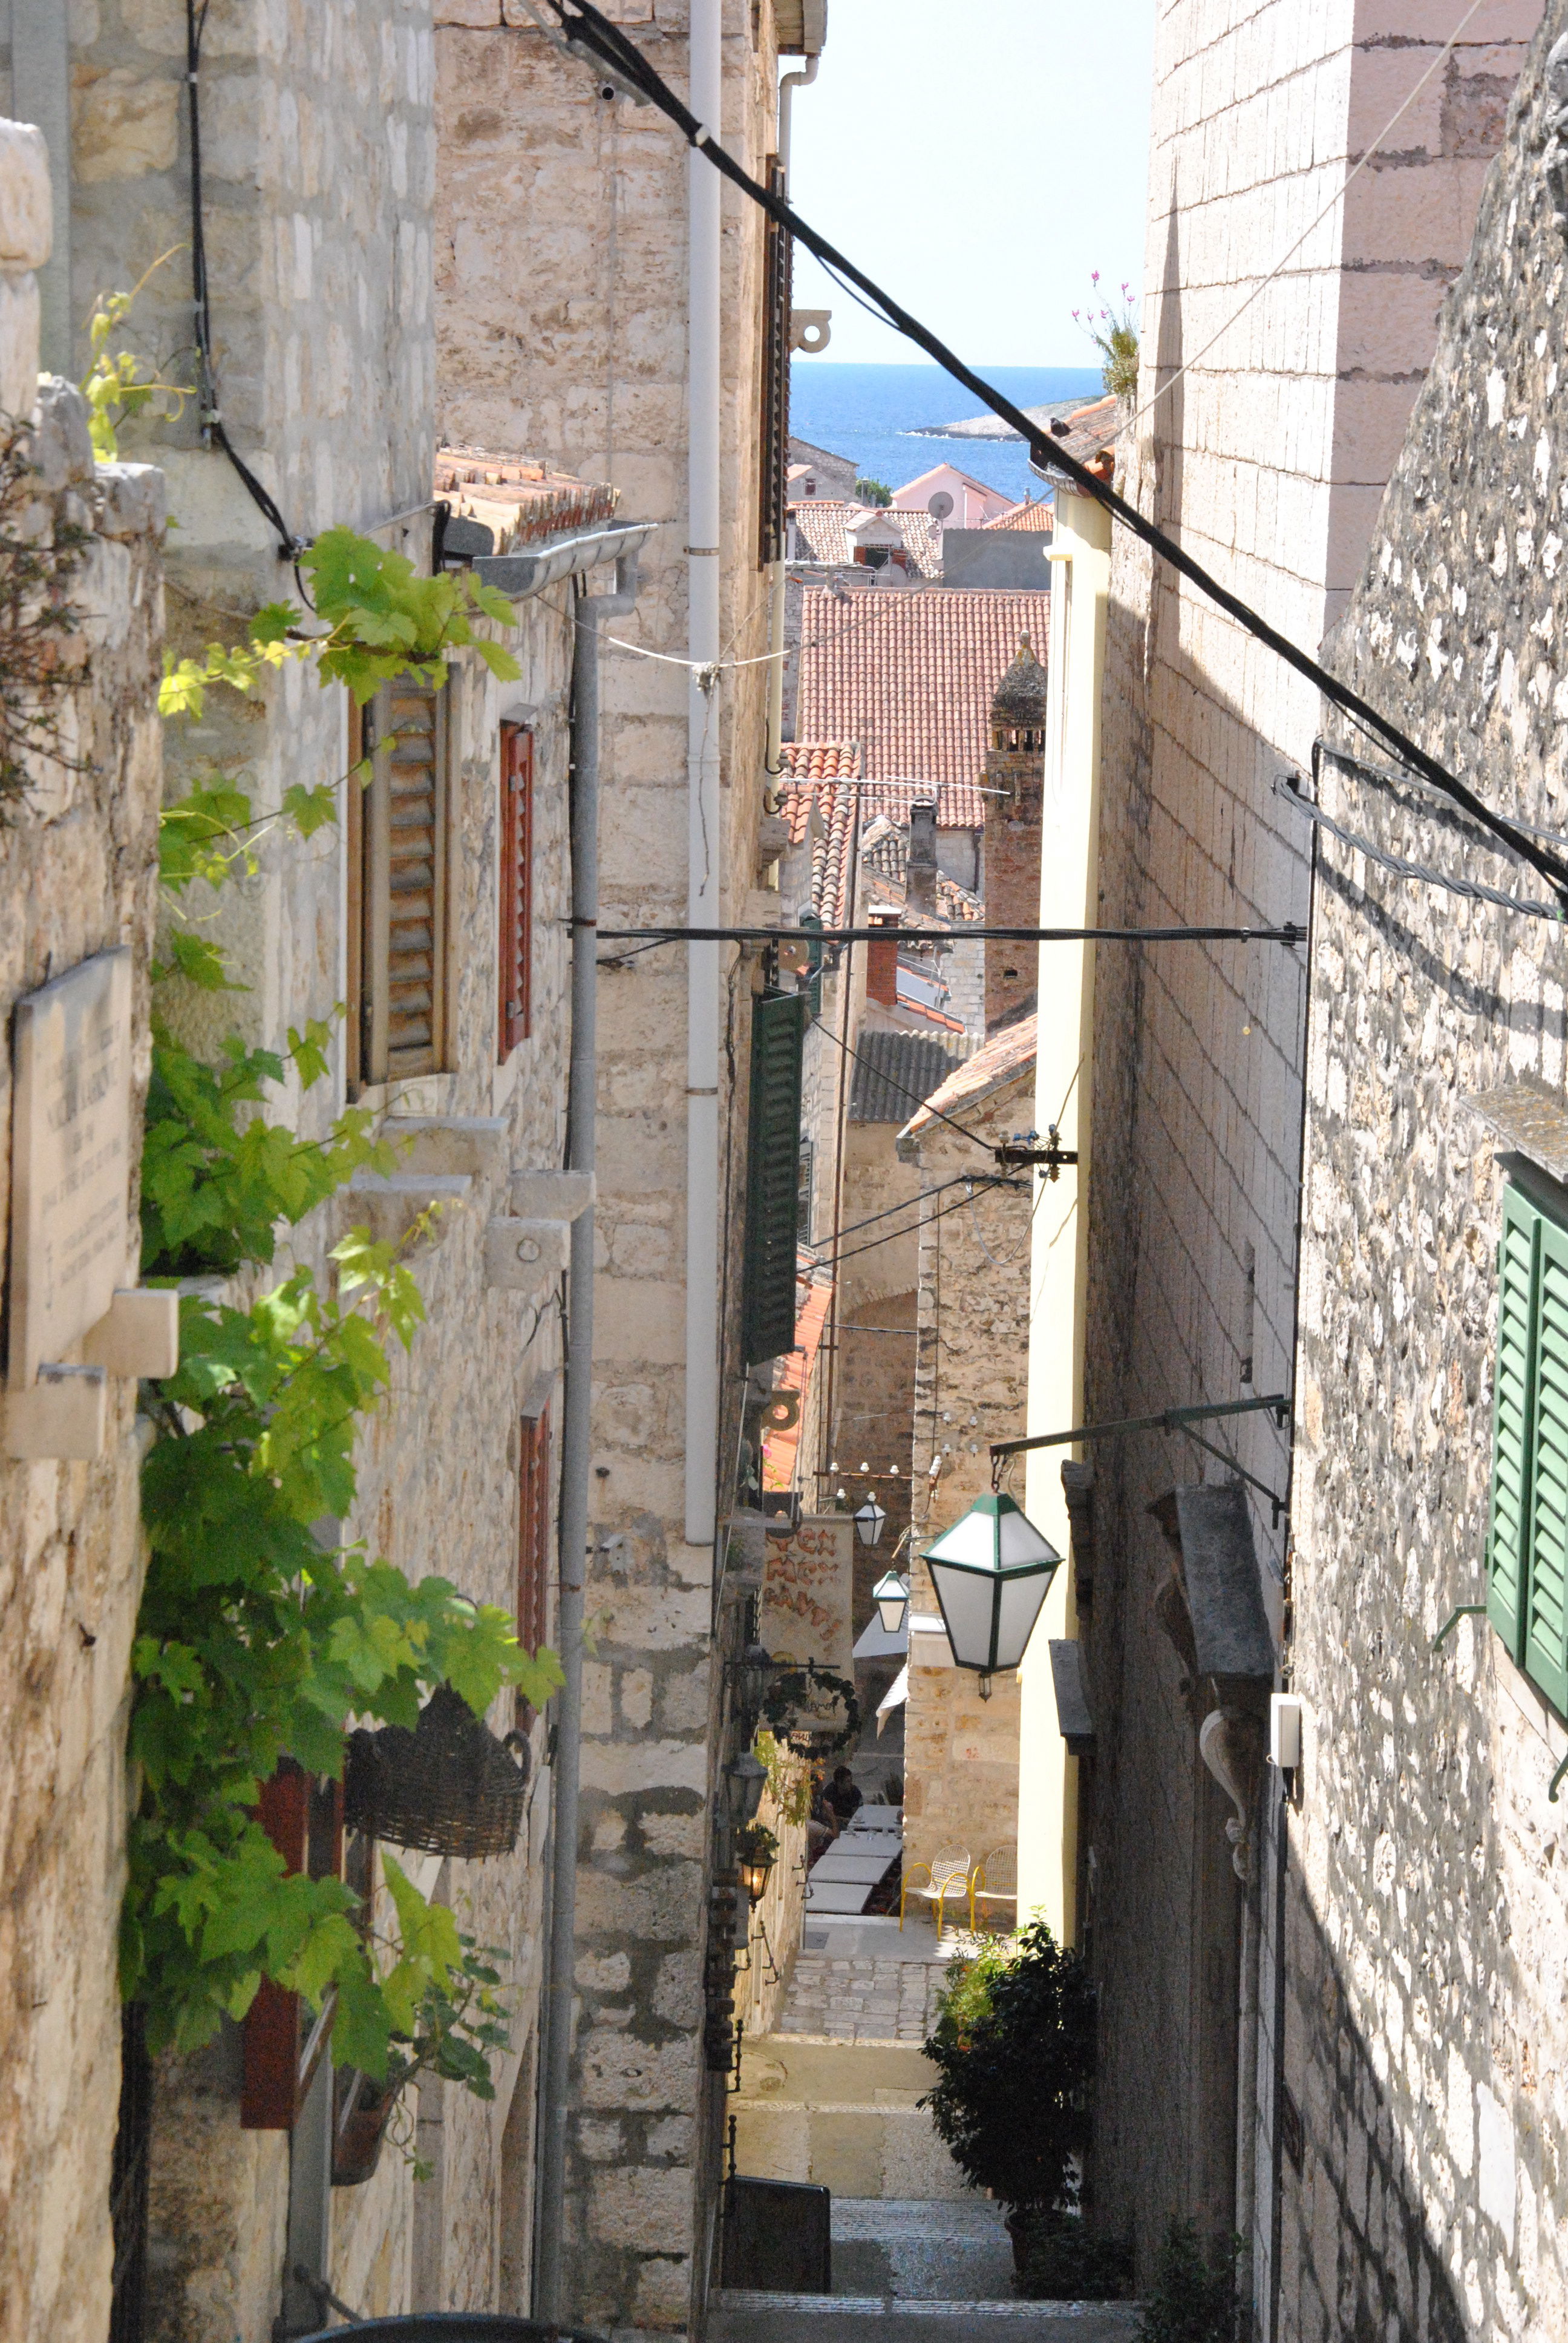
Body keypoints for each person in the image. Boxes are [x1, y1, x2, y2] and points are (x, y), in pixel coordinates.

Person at [822, 1764, 863, 1829]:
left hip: (851, 1822)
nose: (851, 1784)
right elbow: (825, 1814)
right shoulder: (830, 1792)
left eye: (851, 1781)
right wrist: (842, 1819)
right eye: (848, 1782)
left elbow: (859, 1811)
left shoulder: (855, 1792)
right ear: (839, 1783)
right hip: (834, 1823)